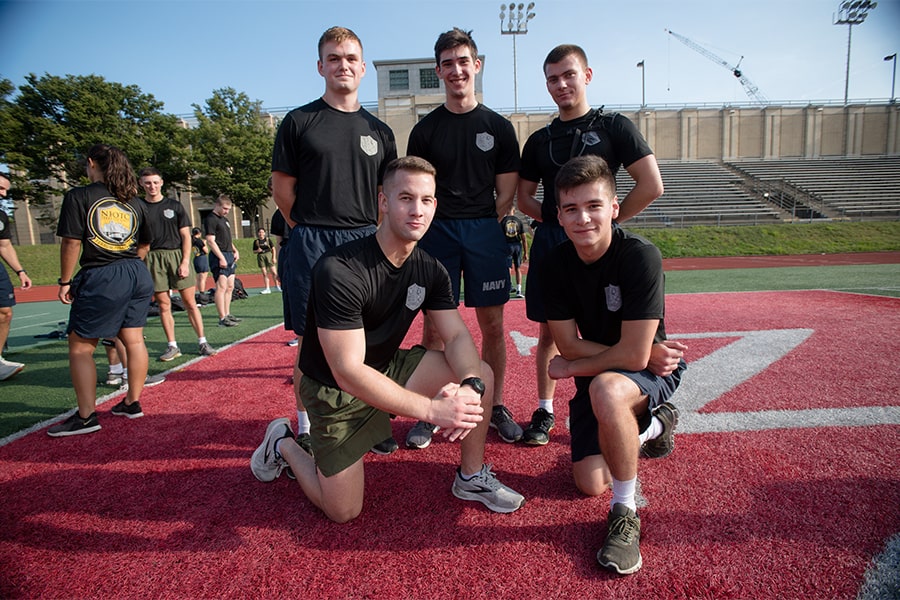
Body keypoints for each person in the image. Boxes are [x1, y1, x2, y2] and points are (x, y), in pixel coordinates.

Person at [250, 156, 525, 522]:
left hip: (385, 367)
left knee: (483, 375)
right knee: (343, 512)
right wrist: (431, 411)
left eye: (426, 200)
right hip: (335, 391)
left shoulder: (429, 268)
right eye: (405, 198)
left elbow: (456, 334)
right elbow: (347, 370)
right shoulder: (340, 269)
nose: (417, 210)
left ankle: (471, 477)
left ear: (435, 206)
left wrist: (470, 386)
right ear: (383, 202)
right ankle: (284, 442)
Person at [517, 44, 669, 446]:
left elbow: (651, 184)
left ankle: (630, 399)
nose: (561, 84)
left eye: (569, 74)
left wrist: (604, 224)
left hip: (600, 239)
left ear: (587, 75)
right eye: (553, 78)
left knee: (612, 320)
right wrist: (558, 219)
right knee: (550, 333)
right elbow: (523, 198)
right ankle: (546, 410)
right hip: (554, 240)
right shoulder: (539, 140)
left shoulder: (615, 126)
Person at [542, 155, 685, 574]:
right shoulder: (552, 265)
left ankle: (624, 514)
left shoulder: (640, 256)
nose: (582, 218)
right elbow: (565, 343)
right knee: (588, 483)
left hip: (652, 368)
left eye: (593, 205)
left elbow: (636, 358)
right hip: (615, 361)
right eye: (571, 208)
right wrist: (622, 349)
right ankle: (656, 426)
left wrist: (572, 367)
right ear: (559, 215)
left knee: (607, 389)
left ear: (615, 208)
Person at [271, 26, 397, 455]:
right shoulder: (299, 122)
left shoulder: (379, 131)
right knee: (312, 343)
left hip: (365, 241)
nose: (343, 65)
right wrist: (307, 228)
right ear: (320, 66)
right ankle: (307, 426)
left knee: (369, 340)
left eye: (350, 58)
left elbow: (387, 196)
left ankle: (368, 421)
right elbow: (282, 189)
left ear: (362, 67)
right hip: (311, 241)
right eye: (334, 57)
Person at [405, 28, 522, 449]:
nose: (456, 70)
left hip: (483, 231)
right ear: (439, 71)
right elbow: (420, 187)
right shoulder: (426, 131)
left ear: (477, 65)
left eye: (463, 61)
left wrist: (483, 223)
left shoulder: (499, 127)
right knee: (433, 326)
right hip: (439, 233)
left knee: (493, 325)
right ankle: (429, 409)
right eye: (448, 63)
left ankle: (496, 405)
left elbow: (506, 190)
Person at [48, 144, 155, 436]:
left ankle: (85, 417)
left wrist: (65, 280)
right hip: (136, 271)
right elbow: (145, 244)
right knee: (133, 340)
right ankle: (132, 402)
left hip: (102, 274)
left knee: (81, 347)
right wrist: (129, 268)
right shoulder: (135, 201)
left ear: (92, 163)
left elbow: (71, 241)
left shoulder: (79, 196)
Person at [139, 167, 216, 360]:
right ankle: (172, 345)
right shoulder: (138, 207)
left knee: (190, 302)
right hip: (153, 257)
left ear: (161, 183)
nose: (152, 186)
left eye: (155, 182)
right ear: (141, 184)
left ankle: (202, 341)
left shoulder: (174, 206)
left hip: (176, 255)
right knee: (164, 305)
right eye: (148, 183)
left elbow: (186, 236)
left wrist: (184, 261)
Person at [0, 173, 33, 380]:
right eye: (0, 189)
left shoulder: (1, 216)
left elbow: (4, 245)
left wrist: (20, 271)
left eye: (5, 190)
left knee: (5, 312)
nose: (3, 194)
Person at [204, 194, 241, 328]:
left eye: (228, 209)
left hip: (228, 254)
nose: (226, 211)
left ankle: (227, 313)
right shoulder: (210, 219)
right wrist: (221, 257)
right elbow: (210, 241)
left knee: (230, 286)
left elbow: (227, 239)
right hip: (219, 255)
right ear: (217, 205)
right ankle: (222, 317)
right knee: (221, 287)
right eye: (224, 208)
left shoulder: (224, 220)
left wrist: (235, 250)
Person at [500, 207, 527, 298]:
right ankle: (519, 289)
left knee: (507, 267)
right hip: (517, 245)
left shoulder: (503, 221)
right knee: (518, 267)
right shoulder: (518, 221)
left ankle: (509, 286)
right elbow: (523, 238)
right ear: (514, 210)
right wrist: (526, 252)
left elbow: (498, 236)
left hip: (507, 245)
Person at [252, 227, 277, 294]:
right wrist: (257, 251)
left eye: (262, 232)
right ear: (258, 233)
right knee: (264, 273)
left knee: (274, 272)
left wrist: (274, 257)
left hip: (268, 255)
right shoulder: (256, 242)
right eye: (260, 232)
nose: (261, 234)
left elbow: (273, 249)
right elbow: (254, 251)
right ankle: (267, 288)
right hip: (261, 256)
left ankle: (277, 286)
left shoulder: (268, 240)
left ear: (264, 233)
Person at [191, 227, 210, 294]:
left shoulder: (191, 240)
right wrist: (205, 243)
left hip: (196, 258)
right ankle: (202, 293)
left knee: (198, 277)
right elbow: (206, 251)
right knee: (203, 278)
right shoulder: (199, 241)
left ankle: (199, 291)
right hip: (202, 258)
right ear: (199, 233)